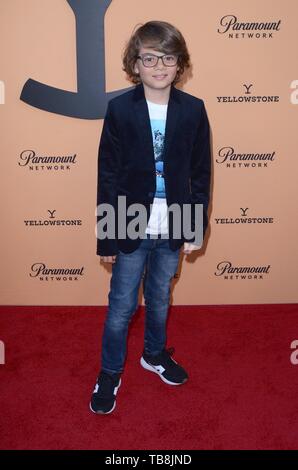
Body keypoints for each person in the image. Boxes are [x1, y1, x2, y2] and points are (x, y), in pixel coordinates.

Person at [90, 20, 211, 414]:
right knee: (122, 304)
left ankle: (154, 355)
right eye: (149, 58)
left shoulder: (194, 110)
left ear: (180, 64)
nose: (159, 66)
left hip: (173, 223)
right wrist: (107, 236)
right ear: (135, 63)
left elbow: (200, 171)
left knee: (160, 298)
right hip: (128, 221)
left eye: (168, 58)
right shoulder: (119, 109)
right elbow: (107, 173)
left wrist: (194, 227)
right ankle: (110, 371)